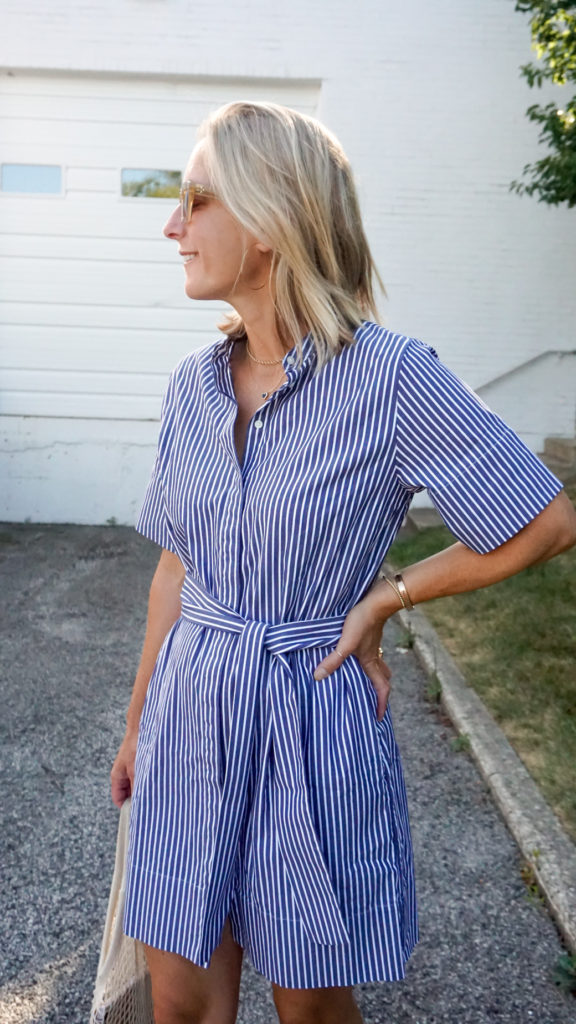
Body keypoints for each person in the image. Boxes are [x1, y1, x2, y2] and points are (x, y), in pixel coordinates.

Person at [110, 101, 576, 1024]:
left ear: (272, 215)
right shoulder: (190, 388)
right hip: (189, 712)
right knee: (179, 1003)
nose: (172, 224)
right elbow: (177, 569)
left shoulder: (392, 377)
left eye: (195, 199)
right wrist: (136, 727)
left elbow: (546, 520)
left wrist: (389, 597)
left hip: (309, 713)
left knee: (311, 1006)